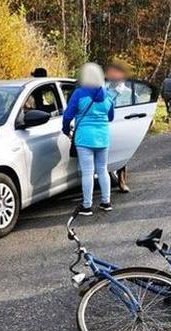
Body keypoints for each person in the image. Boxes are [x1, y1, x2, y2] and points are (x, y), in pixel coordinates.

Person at [62, 63, 116, 216]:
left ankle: (87, 206)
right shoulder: (108, 95)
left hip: (84, 138)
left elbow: (67, 116)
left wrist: (66, 131)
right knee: (103, 169)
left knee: (87, 172)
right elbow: (111, 117)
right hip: (103, 137)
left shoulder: (79, 93)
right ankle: (106, 202)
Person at [105, 58, 132, 192]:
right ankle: (107, 176)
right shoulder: (103, 90)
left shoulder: (128, 93)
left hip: (122, 127)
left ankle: (122, 181)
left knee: (121, 153)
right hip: (104, 126)